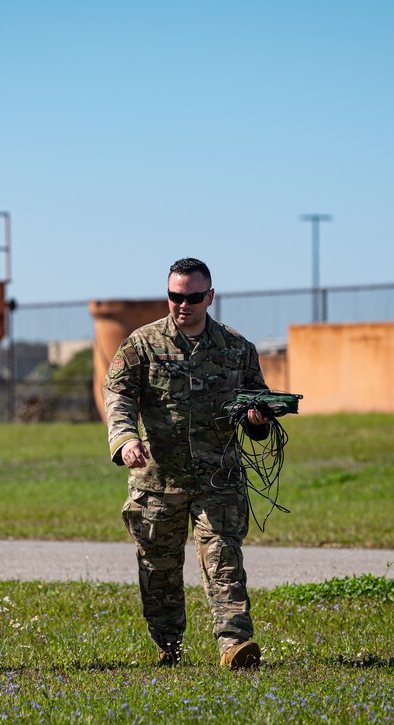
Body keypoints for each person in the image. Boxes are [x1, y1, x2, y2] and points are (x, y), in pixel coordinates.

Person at [104, 257, 270, 670]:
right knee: (158, 569)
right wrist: (125, 439)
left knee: (223, 558)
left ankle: (234, 643)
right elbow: (118, 396)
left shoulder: (236, 349)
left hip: (219, 478)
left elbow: (258, 405)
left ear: (209, 297)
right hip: (157, 480)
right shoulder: (141, 345)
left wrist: (258, 419)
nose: (183, 305)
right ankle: (169, 645)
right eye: (175, 296)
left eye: (193, 297)